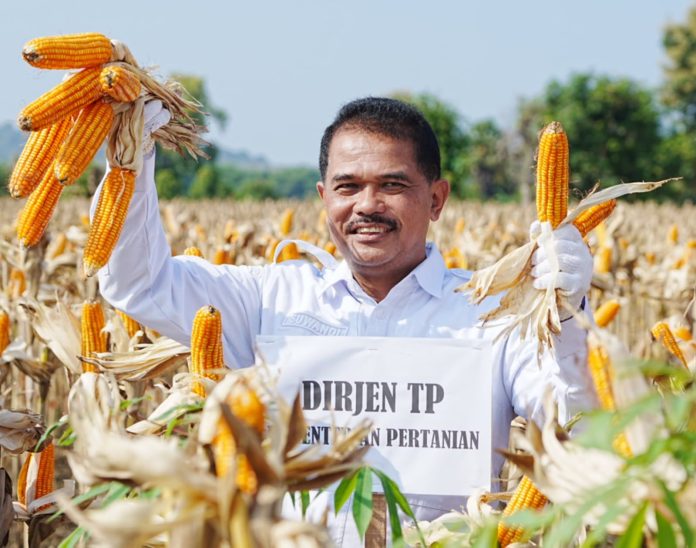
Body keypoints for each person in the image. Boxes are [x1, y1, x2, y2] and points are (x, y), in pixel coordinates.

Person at [93, 97, 597, 543]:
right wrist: (129, 164)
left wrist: (566, 312)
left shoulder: (495, 313)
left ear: (437, 199)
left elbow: (575, 421)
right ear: (323, 197)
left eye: (392, 185)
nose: (367, 206)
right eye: (348, 186)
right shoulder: (270, 299)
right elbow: (140, 285)